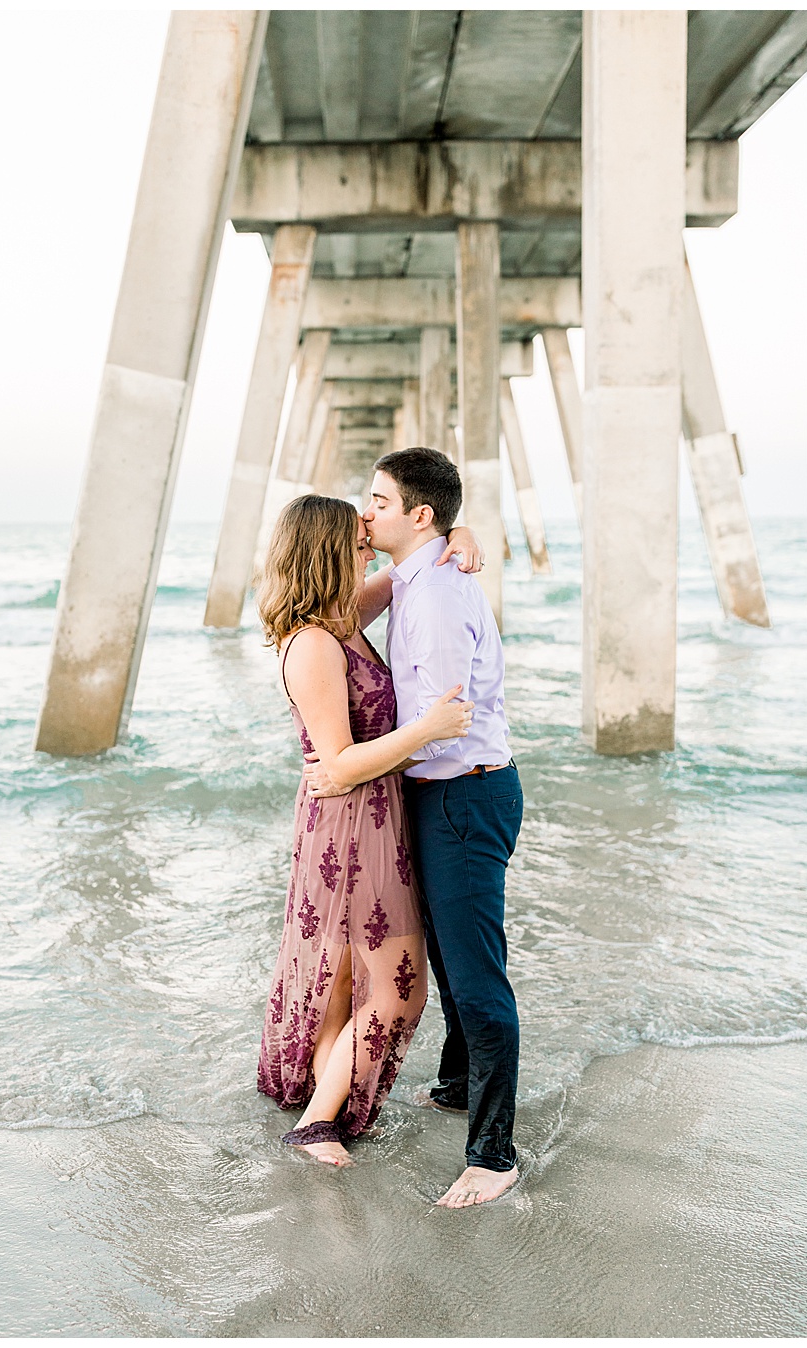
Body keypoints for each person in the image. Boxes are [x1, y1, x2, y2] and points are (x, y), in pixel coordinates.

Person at [307, 448, 525, 1208]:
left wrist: (342, 768)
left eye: (377, 501)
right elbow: (333, 616)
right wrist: (461, 537)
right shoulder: (415, 577)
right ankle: (460, 1087)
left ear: (418, 515)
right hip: (451, 796)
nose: (364, 512)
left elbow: (436, 730)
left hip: (462, 794)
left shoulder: (430, 596)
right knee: (453, 951)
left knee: (475, 976)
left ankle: (494, 1155)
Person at [255, 493, 483, 1168]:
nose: (370, 549)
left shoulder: (345, 616)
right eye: (358, 543)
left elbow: (413, 561)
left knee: (350, 977)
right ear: (329, 552)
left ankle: (324, 1107)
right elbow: (341, 763)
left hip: (372, 811)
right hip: (350, 824)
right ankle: (317, 1124)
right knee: (400, 987)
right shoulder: (314, 644)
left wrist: (461, 531)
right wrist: (427, 730)